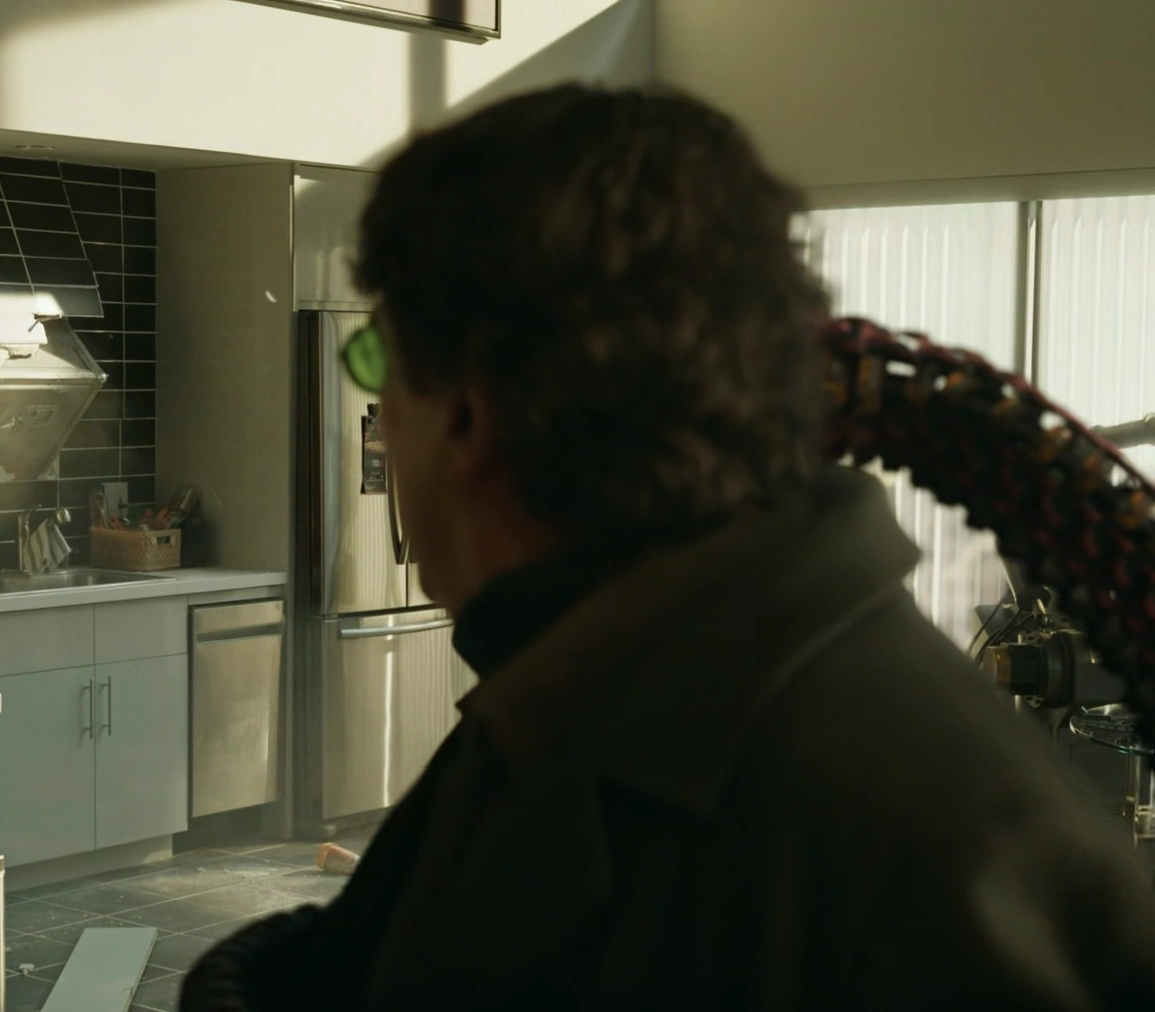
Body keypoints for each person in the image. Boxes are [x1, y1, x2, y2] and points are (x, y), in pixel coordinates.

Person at [180, 84, 1155, 1010]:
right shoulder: (600, 697)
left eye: (378, 361)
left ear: (467, 414)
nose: (380, 419)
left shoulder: (902, 852)